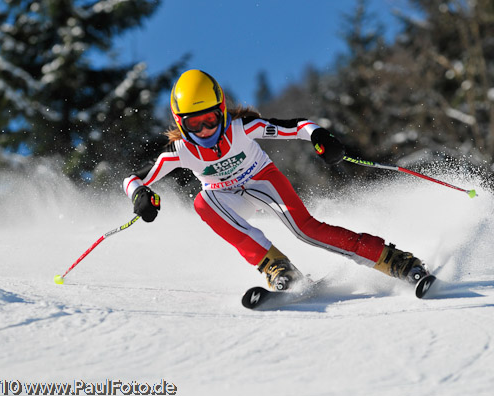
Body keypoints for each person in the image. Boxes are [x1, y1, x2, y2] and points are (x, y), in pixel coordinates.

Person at [123, 69, 429, 291]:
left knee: (307, 231)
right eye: (194, 124)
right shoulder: (180, 152)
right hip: (225, 197)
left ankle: (392, 259)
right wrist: (140, 195)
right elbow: (134, 179)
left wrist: (319, 136)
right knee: (202, 203)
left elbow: (296, 126)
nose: (205, 130)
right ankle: (275, 266)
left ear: (222, 112)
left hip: (262, 180)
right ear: (181, 123)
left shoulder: (242, 127)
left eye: (211, 120)